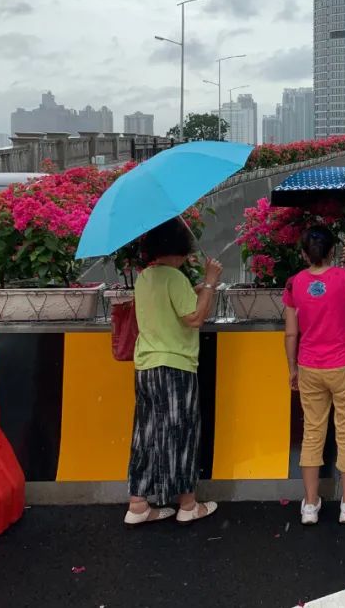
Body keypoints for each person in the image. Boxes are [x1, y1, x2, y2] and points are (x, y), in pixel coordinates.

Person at [124, 217, 221, 526]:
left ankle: (138, 505)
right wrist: (209, 282)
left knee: (147, 433)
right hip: (175, 367)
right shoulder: (174, 278)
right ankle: (188, 504)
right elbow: (194, 318)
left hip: (146, 367)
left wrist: (196, 288)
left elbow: (169, 306)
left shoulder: (145, 278)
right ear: (180, 246)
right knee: (181, 432)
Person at [284, 225, 345, 526]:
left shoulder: (294, 284)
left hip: (309, 365)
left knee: (312, 433)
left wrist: (292, 368)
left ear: (304, 254)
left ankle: (309, 504)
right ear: (333, 250)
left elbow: (291, 333)